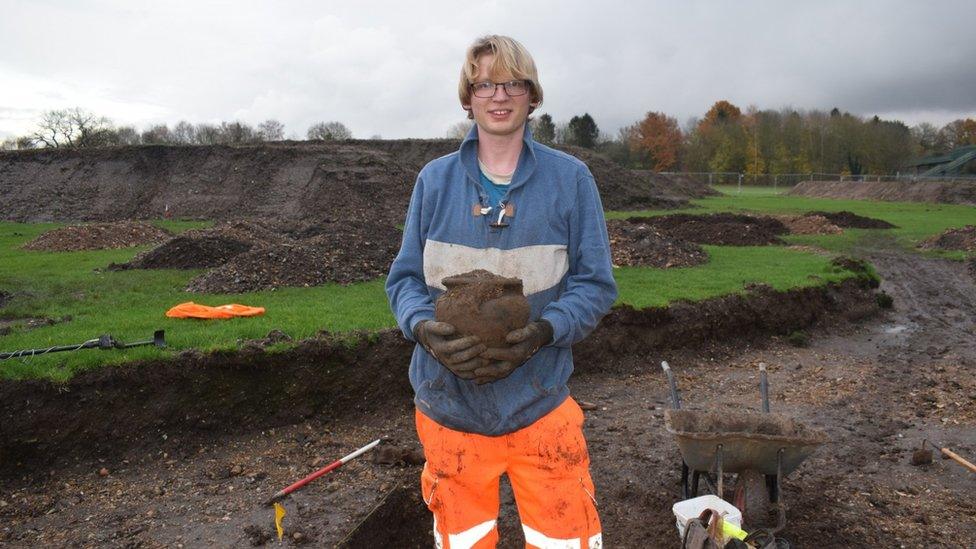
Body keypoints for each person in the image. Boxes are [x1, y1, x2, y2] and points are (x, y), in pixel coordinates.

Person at [386, 34, 616, 549]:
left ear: (532, 96)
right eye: (484, 83)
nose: (499, 95)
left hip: (540, 403)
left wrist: (543, 331)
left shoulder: (571, 181)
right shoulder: (435, 181)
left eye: (513, 82)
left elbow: (595, 283)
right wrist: (424, 330)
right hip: (449, 409)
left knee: (563, 539)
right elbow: (403, 280)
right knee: (464, 540)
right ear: (467, 97)